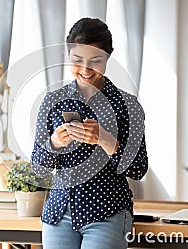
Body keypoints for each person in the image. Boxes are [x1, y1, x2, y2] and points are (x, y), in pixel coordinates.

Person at [31, 17, 148, 249]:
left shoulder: (128, 105)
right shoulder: (53, 101)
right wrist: (54, 142)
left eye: (95, 60)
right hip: (59, 213)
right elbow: (37, 168)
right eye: (77, 60)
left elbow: (138, 168)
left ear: (109, 56)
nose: (85, 69)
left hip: (108, 212)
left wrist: (105, 139)